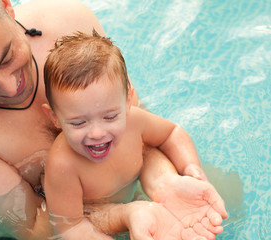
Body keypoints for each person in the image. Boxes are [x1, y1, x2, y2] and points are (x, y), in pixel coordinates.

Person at [0, 0, 227, 239]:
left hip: (111, 195)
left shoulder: (69, 25)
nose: (10, 88)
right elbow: (35, 227)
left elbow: (136, 135)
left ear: (7, 7)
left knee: (224, 205)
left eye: (6, 56)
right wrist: (129, 214)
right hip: (46, 230)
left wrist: (164, 184)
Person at [42, 31, 226, 239]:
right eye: (79, 122)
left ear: (128, 101)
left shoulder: (134, 122)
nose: (97, 133)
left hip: (139, 198)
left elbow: (171, 133)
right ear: (54, 117)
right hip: (96, 217)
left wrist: (191, 168)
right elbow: (70, 227)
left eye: (110, 117)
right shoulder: (62, 164)